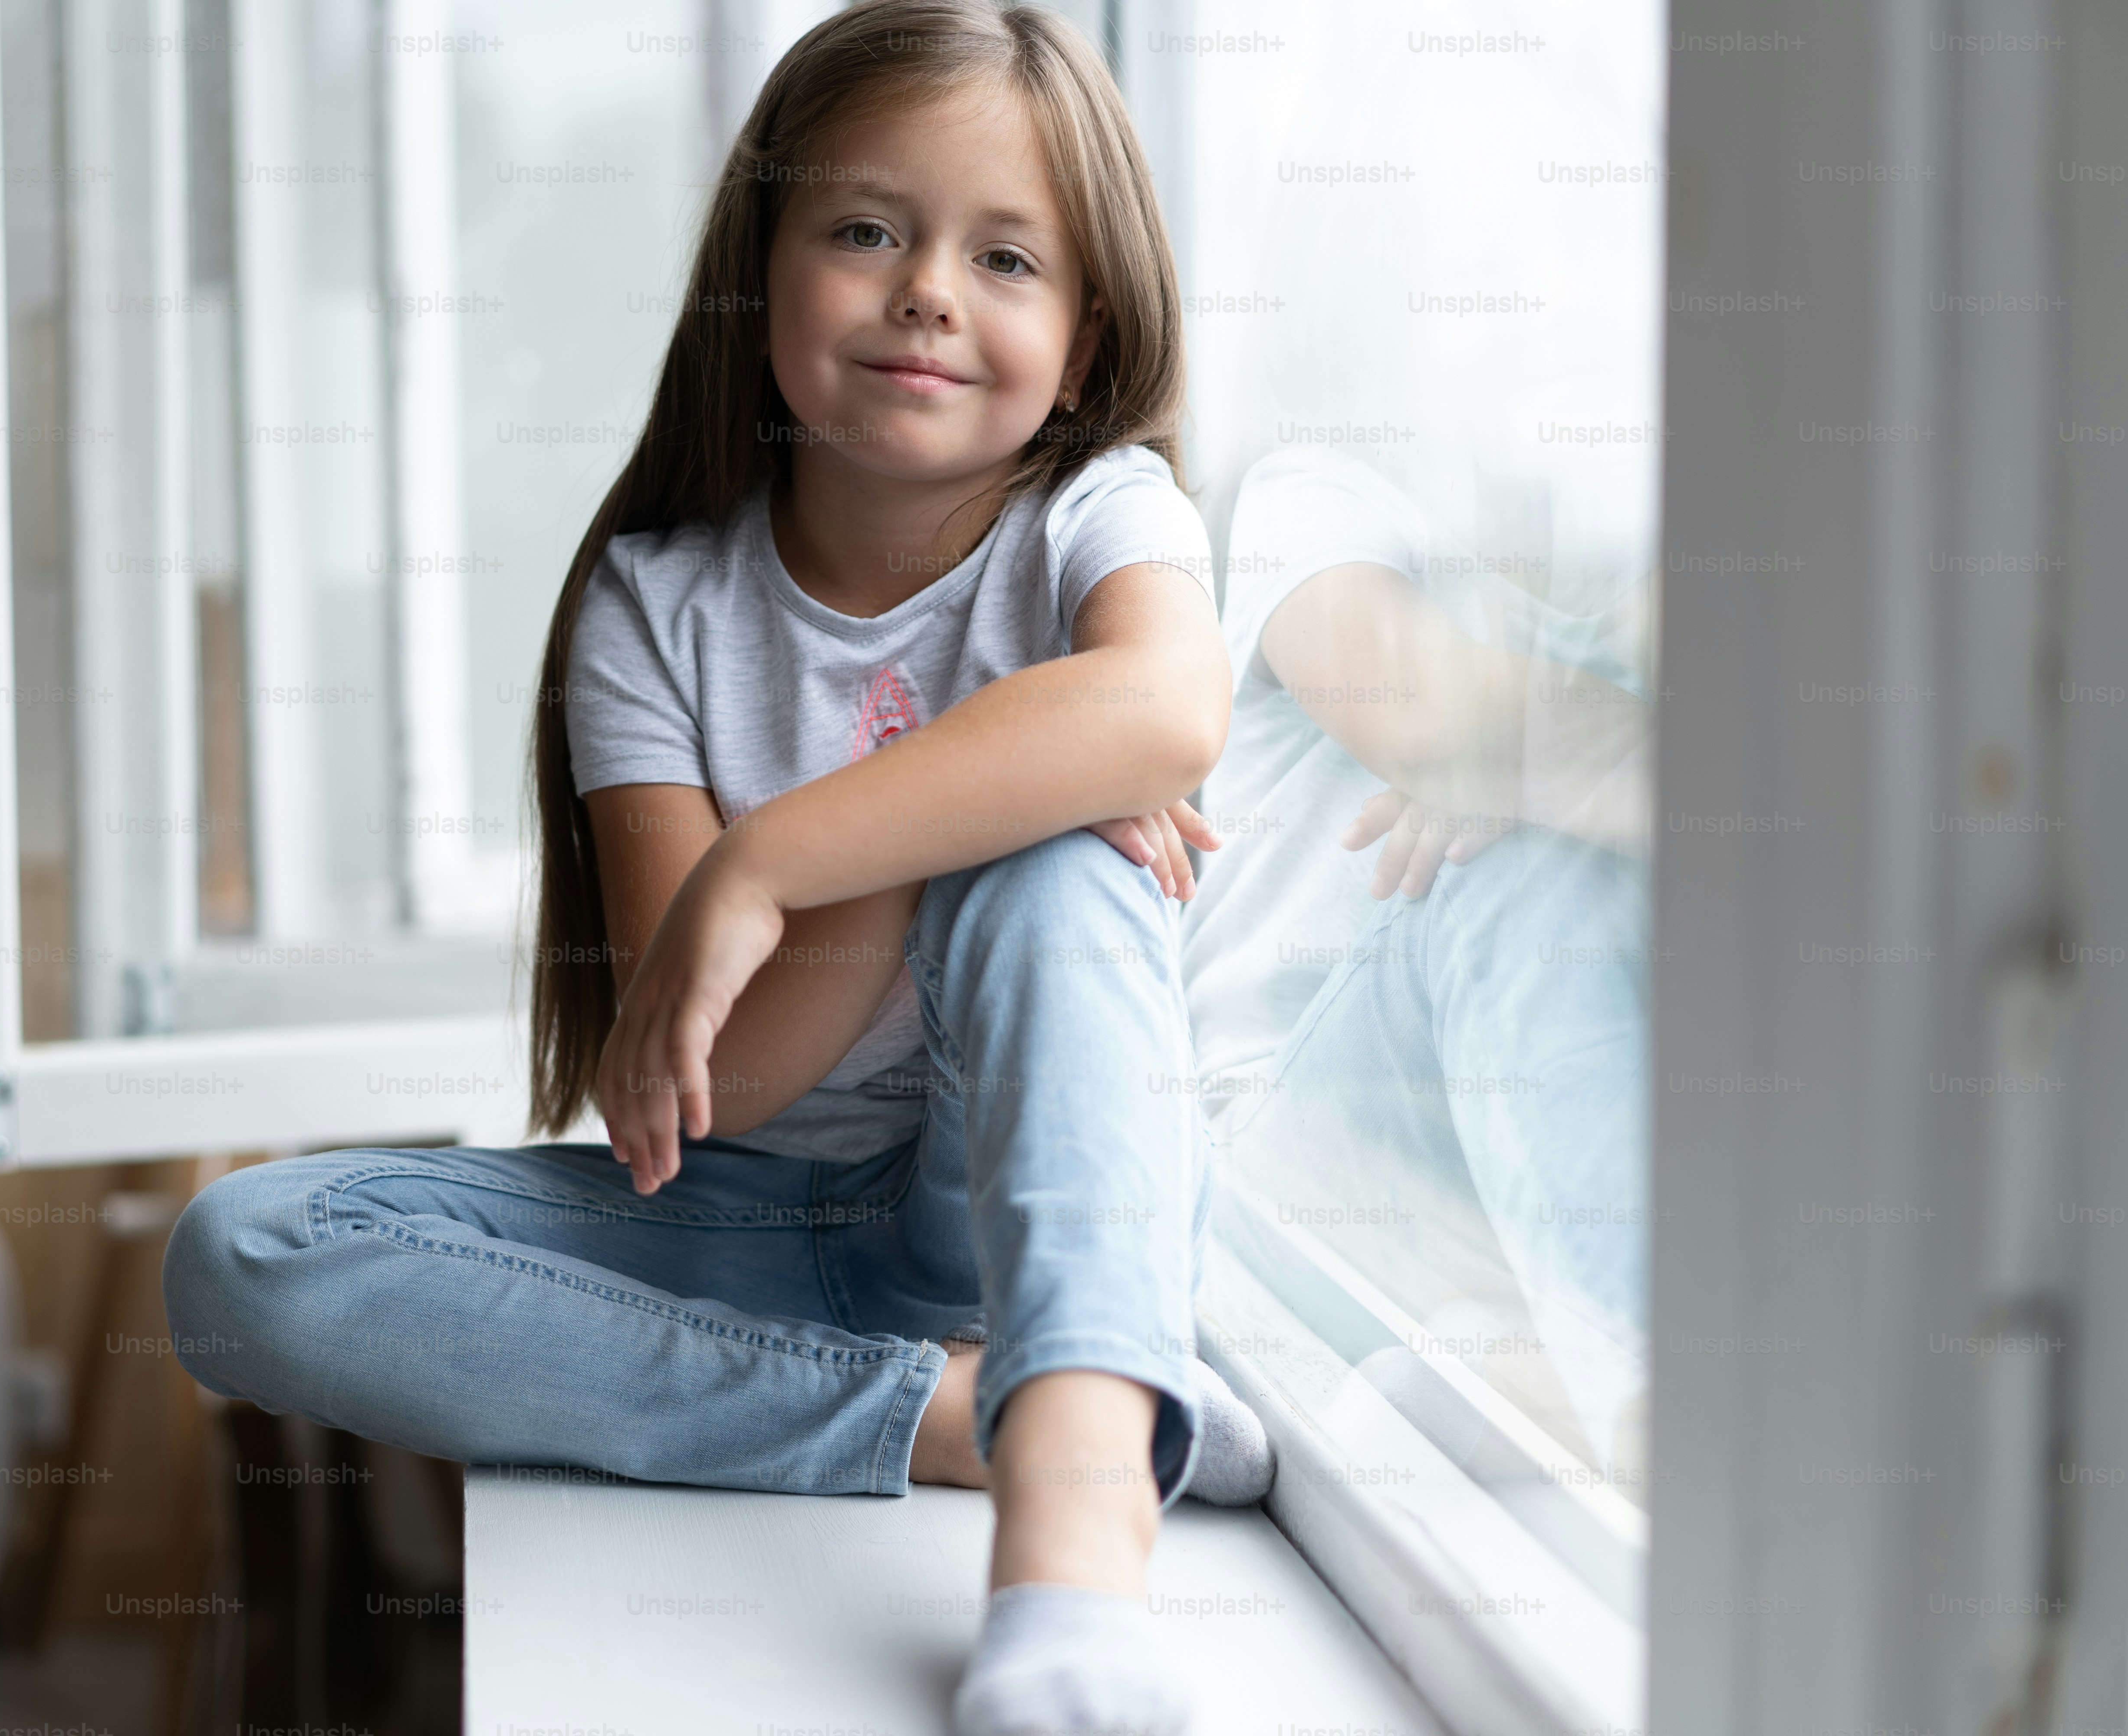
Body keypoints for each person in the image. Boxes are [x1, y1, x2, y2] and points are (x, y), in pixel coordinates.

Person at [163, 5, 1270, 1731]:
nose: (925, 291)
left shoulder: (1098, 519)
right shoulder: (655, 604)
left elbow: (1171, 709)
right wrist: (947, 806)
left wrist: (784, 858)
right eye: (864, 230)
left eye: (1004, 256)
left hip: (987, 1213)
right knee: (246, 1252)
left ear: (1086, 328)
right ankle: (960, 1414)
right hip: (738, 1221)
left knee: (1055, 879)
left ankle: (1075, 1504)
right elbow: (727, 1075)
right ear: (760, 273)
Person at [1181, 447, 1655, 1473]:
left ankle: (1503, 1384)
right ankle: (1657, 1413)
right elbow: (1430, 715)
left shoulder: (1641, 602)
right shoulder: (1316, 493)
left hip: (1481, 1183)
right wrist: (1522, 757)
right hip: (1288, 1156)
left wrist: (1532, 749)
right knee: (1521, 859)